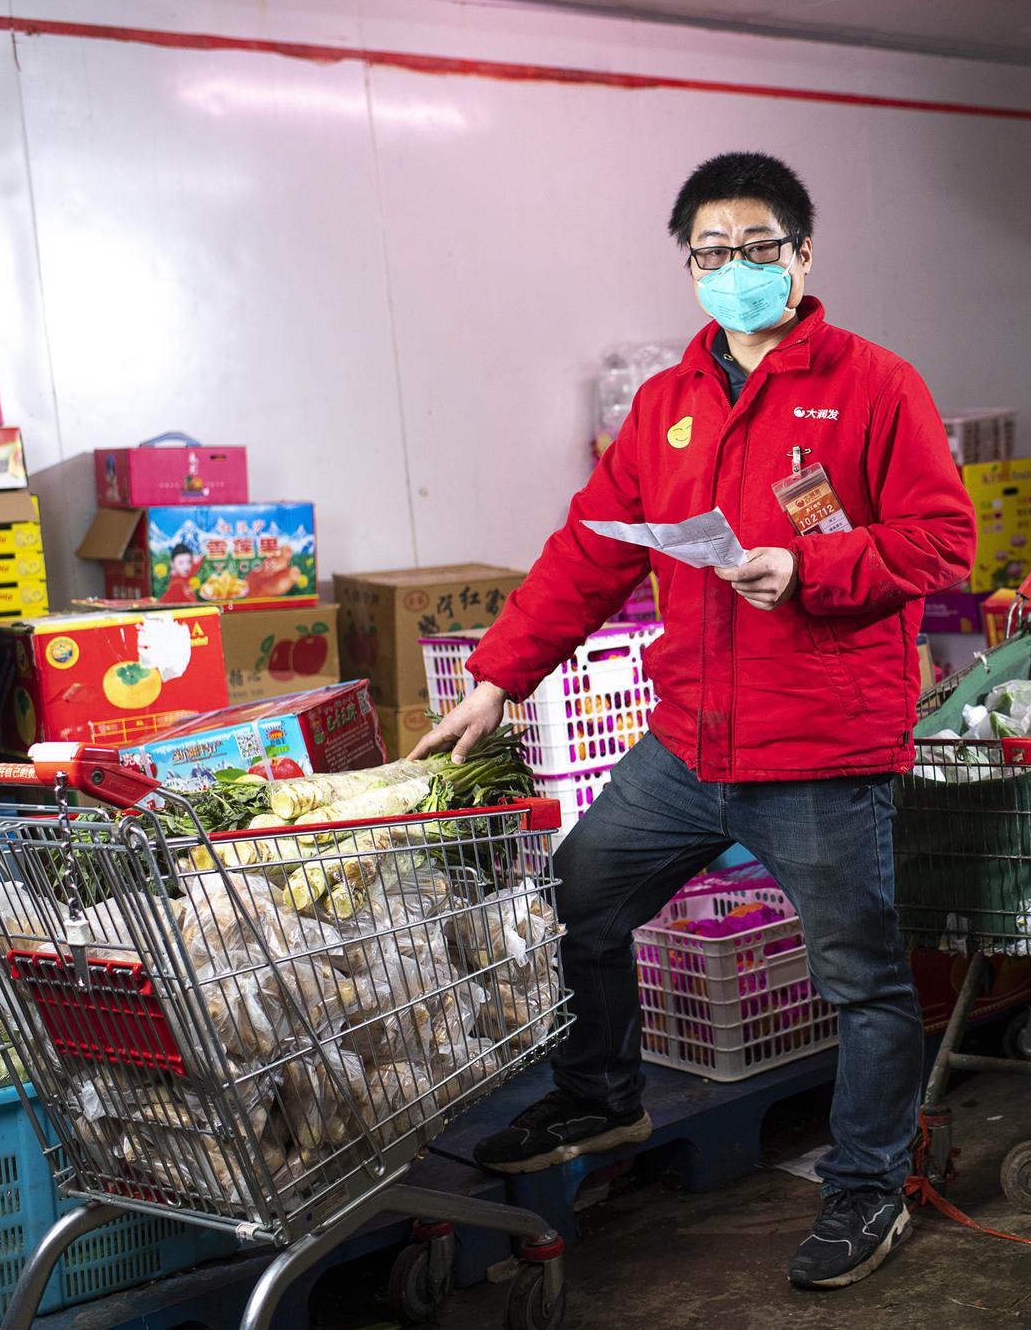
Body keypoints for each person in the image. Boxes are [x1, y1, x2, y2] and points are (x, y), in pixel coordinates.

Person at [414, 151, 975, 1291]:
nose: (732, 270)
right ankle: (601, 1097)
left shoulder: (873, 386)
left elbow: (939, 543)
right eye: (709, 253)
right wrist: (497, 677)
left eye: (754, 249)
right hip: (687, 743)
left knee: (862, 981)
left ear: (802, 255)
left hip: (818, 746)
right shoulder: (667, 408)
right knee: (581, 899)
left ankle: (867, 1188)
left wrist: (805, 566)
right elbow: (589, 552)